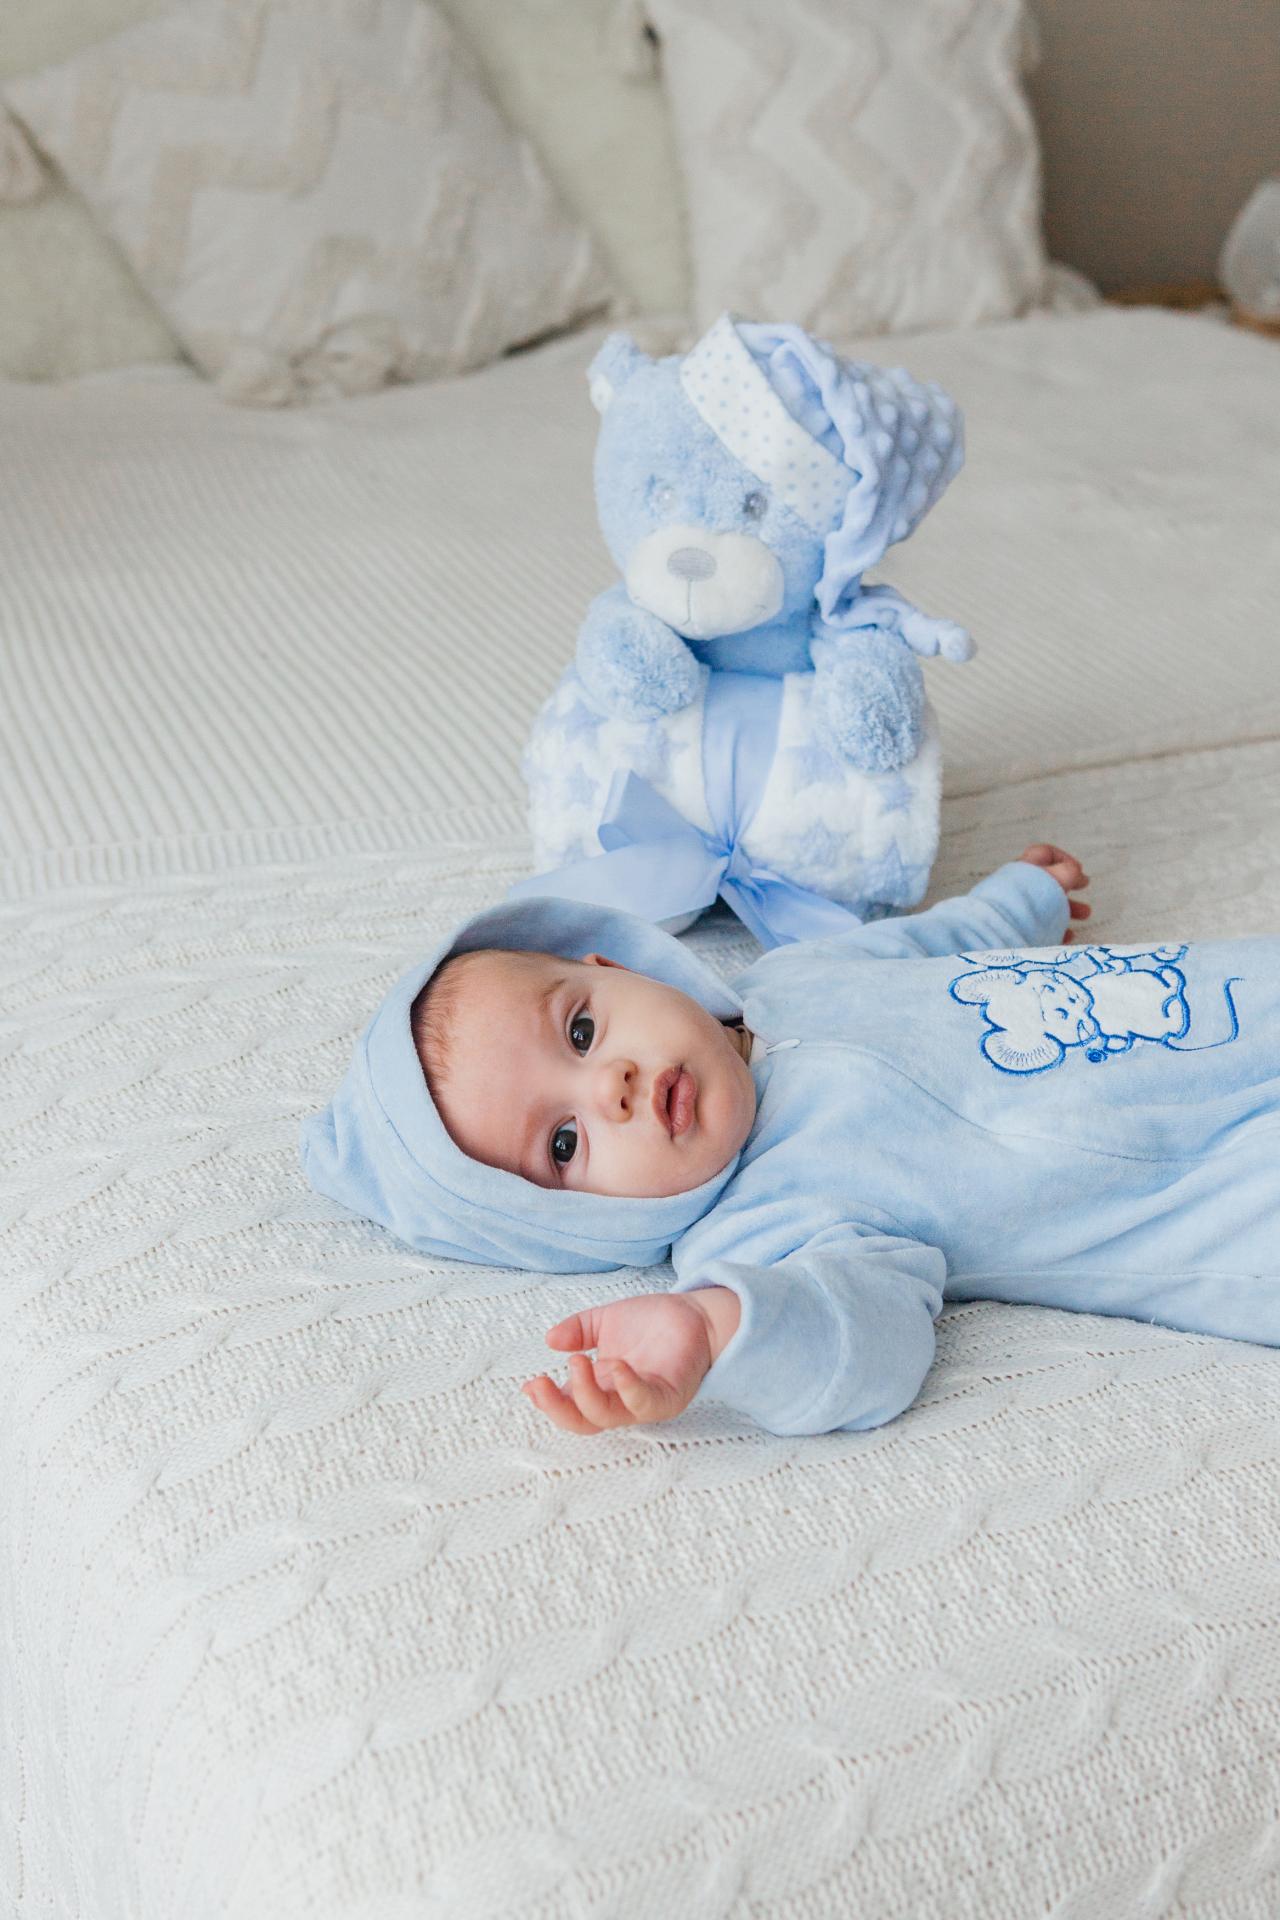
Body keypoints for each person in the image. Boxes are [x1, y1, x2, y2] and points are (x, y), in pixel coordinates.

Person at [300, 844, 1275, 1438]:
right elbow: (865, 1347)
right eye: (563, 1145)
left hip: (1228, 1003)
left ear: (612, 965)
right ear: (580, 1228)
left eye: (582, 1030)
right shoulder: (760, 1232)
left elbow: (924, 948)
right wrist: (719, 1329)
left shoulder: (791, 980)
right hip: (1228, 1192)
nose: (611, 1087)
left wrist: (1016, 903)